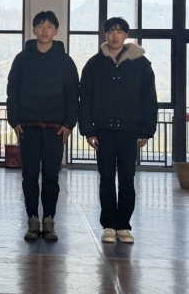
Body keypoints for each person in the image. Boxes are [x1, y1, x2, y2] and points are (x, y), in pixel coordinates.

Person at [78, 17, 158, 244]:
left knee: (127, 179)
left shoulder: (141, 64)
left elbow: (149, 99)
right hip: (103, 130)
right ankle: (108, 225)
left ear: (126, 35)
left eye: (119, 31)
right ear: (105, 35)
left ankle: (123, 225)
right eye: (111, 31)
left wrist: (146, 131)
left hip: (130, 131)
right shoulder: (94, 64)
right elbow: (85, 99)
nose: (115, 36)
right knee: (106, 179)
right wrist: (89, 130)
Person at [6, 11, 79, 241]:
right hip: (27, 127)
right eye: (40, 26)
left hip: (55, 128)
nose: (44, 30)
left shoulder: (65, 61)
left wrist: (69, 124)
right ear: (33, 30)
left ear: (56, 31)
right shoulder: (22, 59)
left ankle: (48, 220)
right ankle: (31, 220)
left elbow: (73, 95)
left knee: (50, 176)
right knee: (29, 176)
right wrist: (14, 121)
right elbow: (12, 91)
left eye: (49, 26)